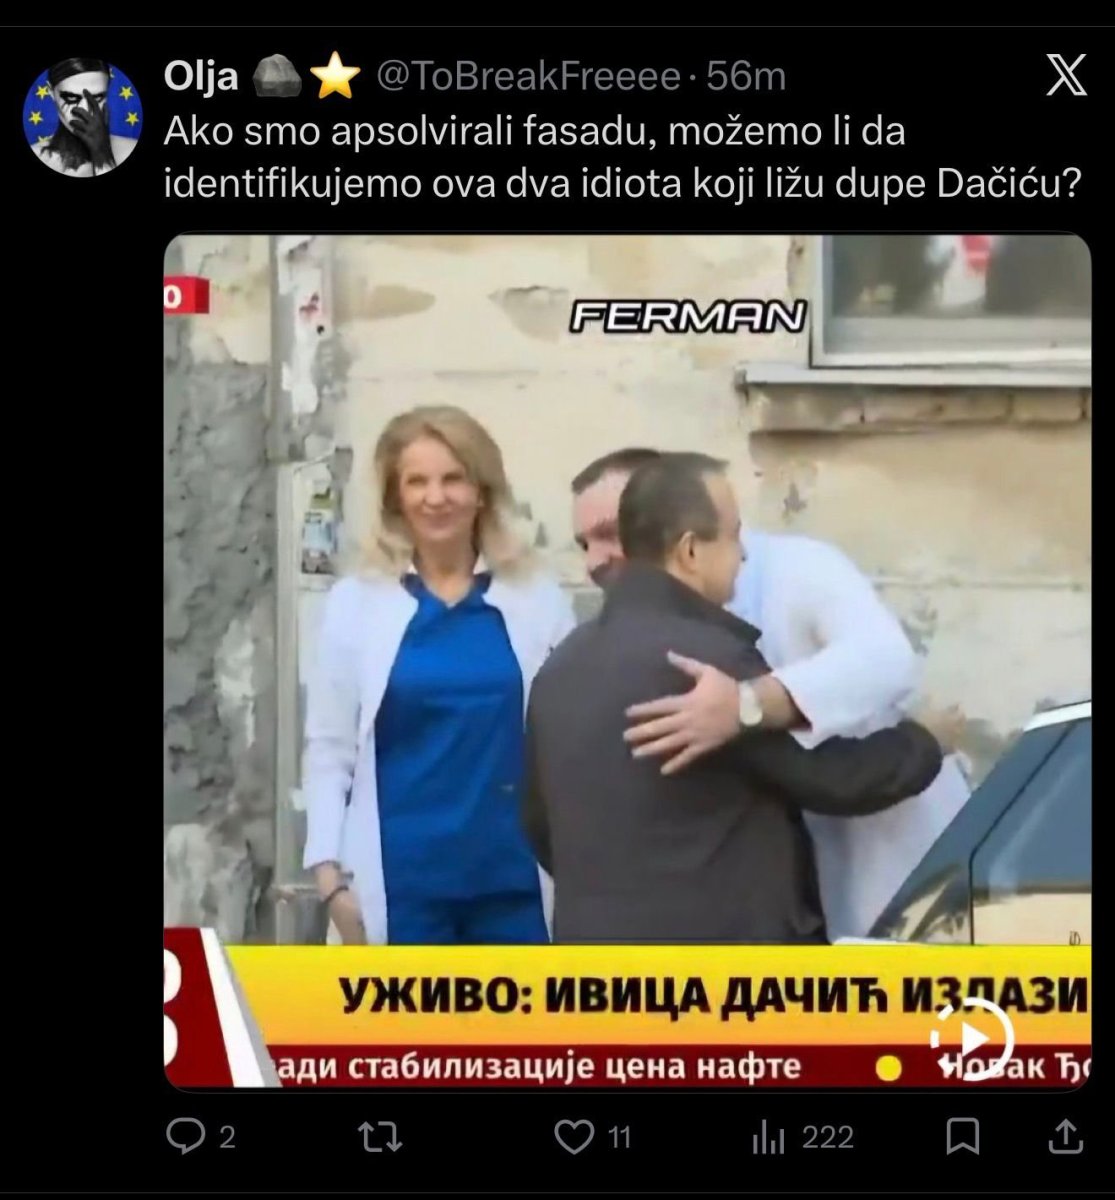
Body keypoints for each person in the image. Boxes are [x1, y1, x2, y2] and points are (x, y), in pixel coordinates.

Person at [522, 453, 944, 943]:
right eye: (731, 536)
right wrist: (926, 740)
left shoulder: (560, 666)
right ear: (690, 552)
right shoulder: (703, 661)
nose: (743, 555)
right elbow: (835, 781)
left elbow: (538, 823)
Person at [301, 405, 575, 945]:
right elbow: (329, 749)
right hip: (399, 888)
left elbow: (571, 737)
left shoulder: (537, 598)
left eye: (453, 479)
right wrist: (329, 878)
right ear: (394, 496)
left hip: (515, 884)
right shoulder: (356, 604)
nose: (436, 497)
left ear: (482, 491)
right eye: (417, 481)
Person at [33, 58, 138, 177]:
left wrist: (103, 157)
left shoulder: (130, 149)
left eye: (97, 98)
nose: (85, 110)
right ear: (51, 92)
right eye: (71, 98)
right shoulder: (38, 155)